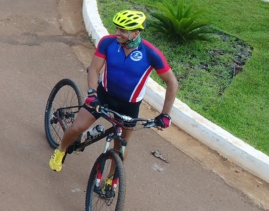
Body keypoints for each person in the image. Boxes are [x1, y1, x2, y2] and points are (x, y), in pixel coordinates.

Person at [48, 10, 178, 172]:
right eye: (117, 28)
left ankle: (111, 179)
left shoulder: (151, 54)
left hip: (129, 106)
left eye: (123, 30)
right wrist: (92, 93)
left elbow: (172, 82)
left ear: (136, 32)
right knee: (76, 128)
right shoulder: (108, 43)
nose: (117, 32)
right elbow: (94, 69)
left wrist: (165, 114)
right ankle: (60, 150)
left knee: (121, 146)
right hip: (103, 96)